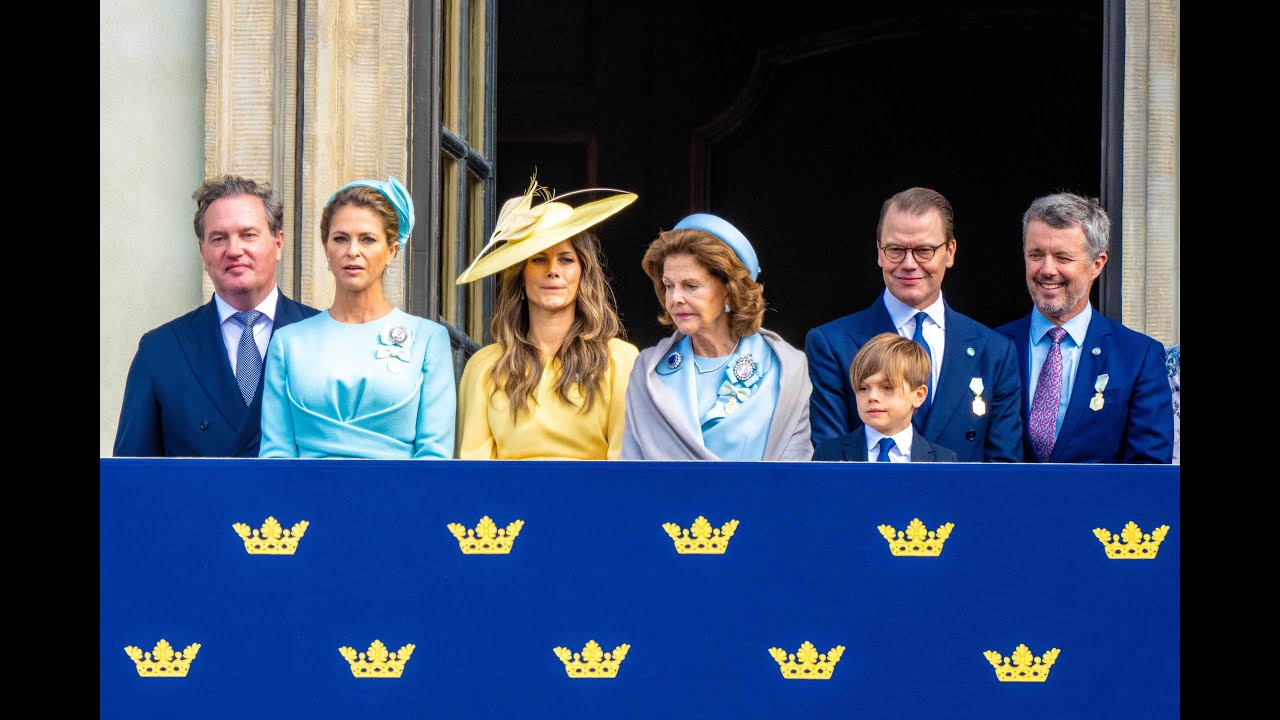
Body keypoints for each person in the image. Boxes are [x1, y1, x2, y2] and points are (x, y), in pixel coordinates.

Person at [805, 187, 1022, 462]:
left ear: (950, 252)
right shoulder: (831, 343)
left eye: (924, 250)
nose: (909, 264)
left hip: (962, 503)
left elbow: (1002, 471)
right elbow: (832, 462)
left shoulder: (995, 351)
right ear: (879, 252)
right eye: (896, 250)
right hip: (866, 501)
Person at [113, 176, 320, 457]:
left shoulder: (321, 336)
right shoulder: (160, 350)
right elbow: (131, 479)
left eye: (248, 235)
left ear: (278, 243)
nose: (234, 250)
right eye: (219, 238)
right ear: (203, 251)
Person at [258, 177, 455, 458]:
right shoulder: (288, 342)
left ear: (391, 251)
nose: (353, 251)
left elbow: (434, 456)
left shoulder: (428, 339)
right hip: (304, 499)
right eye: (340, 238)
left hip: (401, 500)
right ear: (326, 248)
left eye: (368, 239)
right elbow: (276, 455)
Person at [454, 177, 639, 459]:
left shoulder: (620, 360)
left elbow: (625, 464)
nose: (553, 270)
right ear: (521, 275)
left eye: (566, 259)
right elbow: (475, 472)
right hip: (509, 503)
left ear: (583, 274)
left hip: (593, 501)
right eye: (539, 259)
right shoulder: (485, 366)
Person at [995, 192, 1173, 463]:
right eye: (1035, 254)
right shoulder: (993, 346)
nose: (1047, 269)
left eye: (1062, 257)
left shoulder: (1138, 357)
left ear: (1096, 264)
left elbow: (1147, 472)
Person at [621, 214, 813, 461]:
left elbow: (795, 473)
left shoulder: (786, 368)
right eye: (669, 285)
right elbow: (631, 470)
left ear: (730, 292)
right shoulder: (648, 371)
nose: (675, 298)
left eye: (691, 286)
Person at [813, 333, 957, 462]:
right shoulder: (828, 454)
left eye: (887, 388)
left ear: (918, 395)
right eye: (863, 388)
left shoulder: (943, 460)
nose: (872, 397)